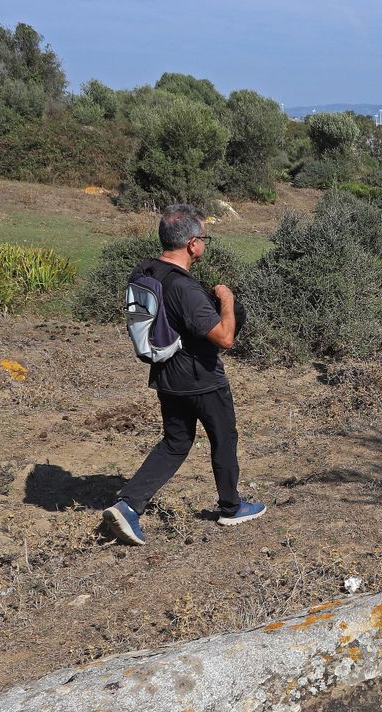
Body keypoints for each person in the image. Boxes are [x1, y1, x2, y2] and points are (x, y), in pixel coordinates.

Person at [103, 204, 265, 546]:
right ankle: (231, 507)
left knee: (176, 442)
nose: (205, 244)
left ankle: (128, 504)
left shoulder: (148, 271)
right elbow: (224, 338)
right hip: (200, 378)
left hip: (166, 375)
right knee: (223, 438)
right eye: (203, 238)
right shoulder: (184, 288)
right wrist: (226, 299)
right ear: (193, 244)